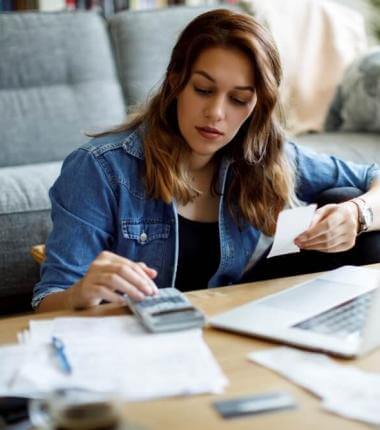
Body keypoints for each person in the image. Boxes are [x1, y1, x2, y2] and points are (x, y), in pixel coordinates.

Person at [33, 9, 380, 312]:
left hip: (235, 318)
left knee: (350, 206)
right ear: (176, 83)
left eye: (239, 99)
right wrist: (80, 293)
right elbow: (49, 298)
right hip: (149, 338)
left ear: (256, 105)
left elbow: (373, 177)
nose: (216, 113)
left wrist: (358, 214)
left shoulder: (265, 154)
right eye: (203, 90)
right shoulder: (101, 169)